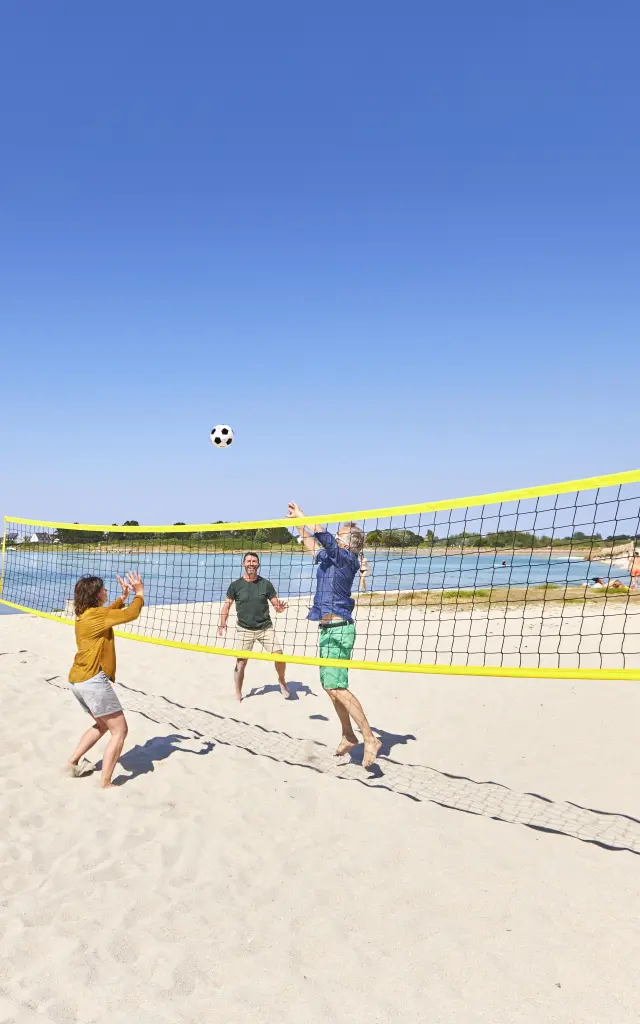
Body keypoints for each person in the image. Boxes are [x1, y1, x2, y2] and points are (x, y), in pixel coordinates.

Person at [287, 501, 381, 769]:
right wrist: (297, 523)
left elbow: (323, 535)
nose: (336, 538)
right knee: (330, 689)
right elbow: (313, 545)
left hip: (340, 629)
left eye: (340, 535)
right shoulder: (332, 557)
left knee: (337, 686)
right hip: (327, 628)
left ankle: (369, 738)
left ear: (348, 543)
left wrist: (306, 517)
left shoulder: (346, 558)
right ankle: (348, 734)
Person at [66, 572, 144, 789]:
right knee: (120, 731)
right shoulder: (97, 616)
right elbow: (131, 614)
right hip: (92, 681)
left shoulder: (86, 614)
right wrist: (139, 593)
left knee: (101, 725)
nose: (106, 591)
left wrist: (122, 597)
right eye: (103, 589)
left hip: (76, 681)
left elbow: (107, 613)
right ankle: (106, 783)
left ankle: (71, 763)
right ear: (95, 594)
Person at [218, 552, 289, 701]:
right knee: (241, 663)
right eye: (248, 561)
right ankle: (238, 692)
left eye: (254, 561)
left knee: (280, 657)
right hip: (244, 629)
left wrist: (279, 608)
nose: (251, 563)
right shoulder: (235, 585)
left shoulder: (266, 584)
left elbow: (276, 605)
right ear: (243, 564)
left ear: (258, 565)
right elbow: (226, 606)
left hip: (265, 628)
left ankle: (282, 681)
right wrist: (222, 622)